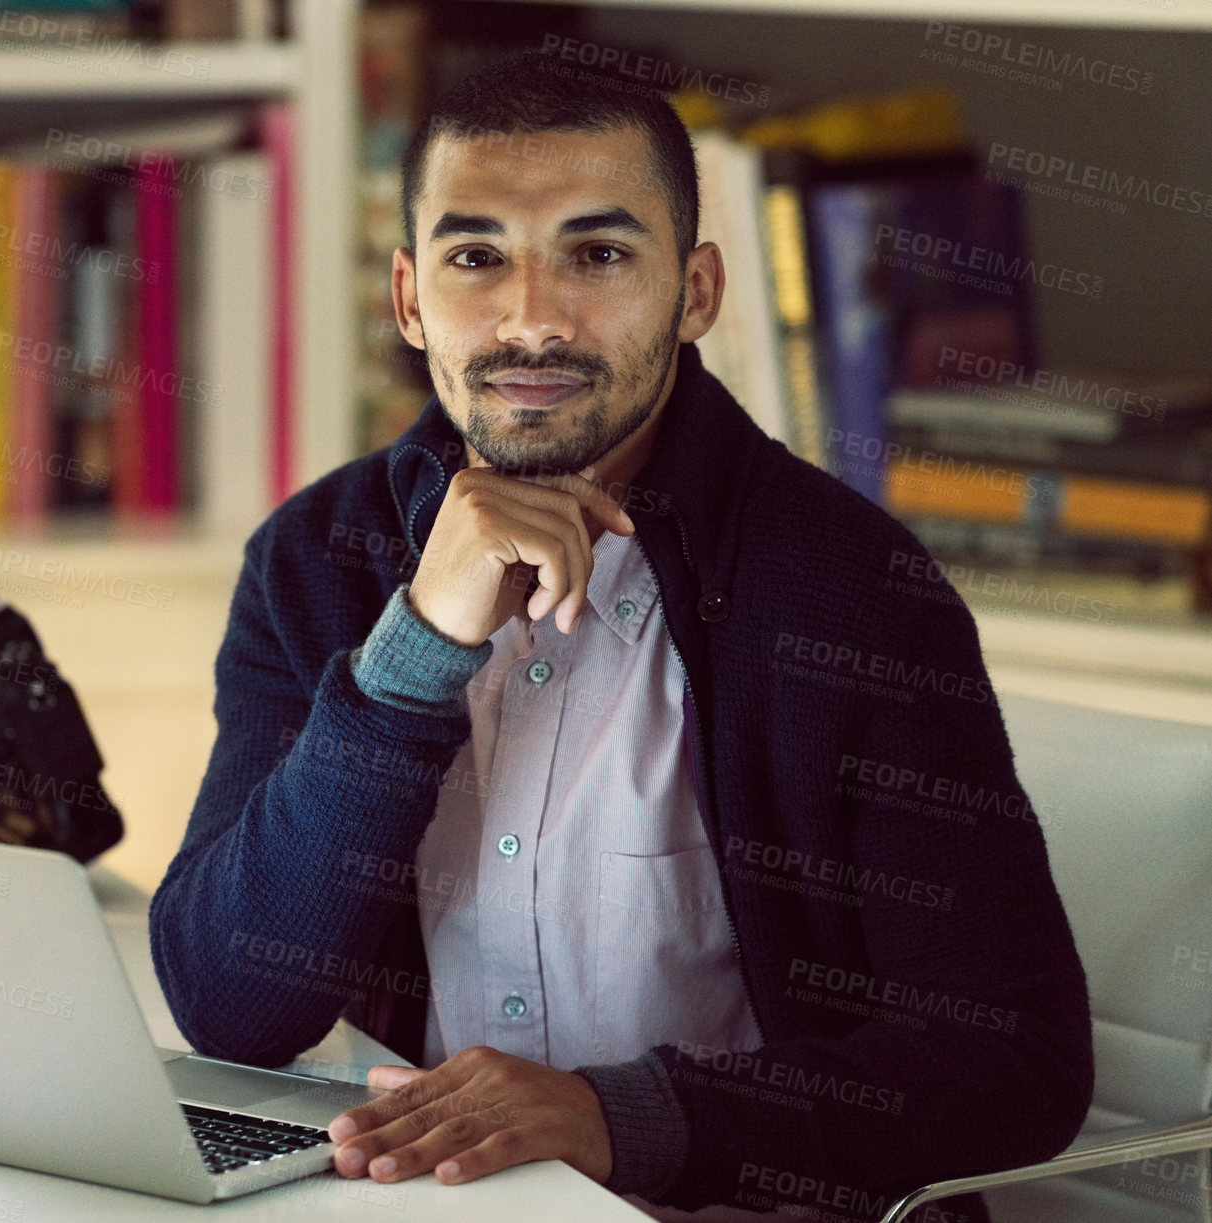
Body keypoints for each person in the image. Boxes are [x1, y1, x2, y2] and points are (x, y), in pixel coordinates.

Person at [148, 49, 1092, 1221]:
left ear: (695, 292)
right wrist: (416, 650)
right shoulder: (314, 558)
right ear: (407, 299)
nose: (531, 317)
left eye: (597, 255)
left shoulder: (857, 593)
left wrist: (619, 1116)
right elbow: (230, 1004)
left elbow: (1014, 1069)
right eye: (476, 257)